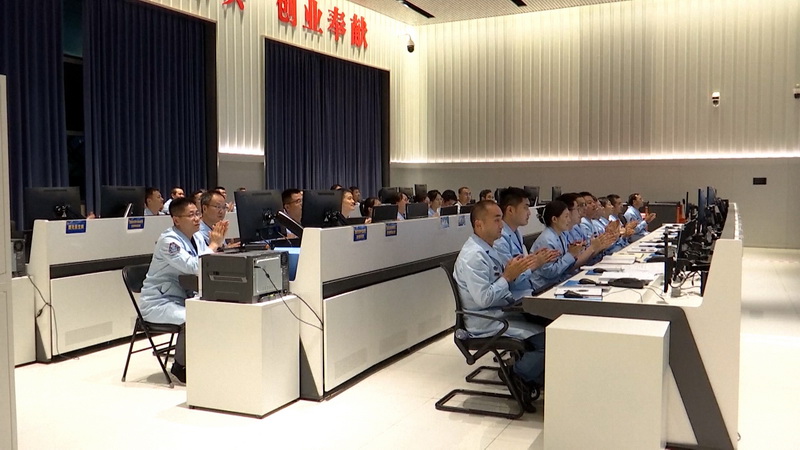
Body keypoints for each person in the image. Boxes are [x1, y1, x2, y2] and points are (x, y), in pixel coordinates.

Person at [453, 200, 546, 395]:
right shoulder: (473, 256)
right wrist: (507, 277)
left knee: (548, 328)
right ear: (479, 224)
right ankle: (516, 374)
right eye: (496, 220)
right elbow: (484, 299)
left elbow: (504, 281)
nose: (501, 225)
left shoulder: (489, 248)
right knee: (547, 341)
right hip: (486, 321)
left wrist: (518, 271)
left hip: (501, 311)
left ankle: (531, 378)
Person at [138, 197, 228, 383]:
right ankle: (181, 367)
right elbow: (194, 266)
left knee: (217, 311)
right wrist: (214, 245)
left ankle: (206, 361)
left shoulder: (196, 237)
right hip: (159, 302)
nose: (196, 218)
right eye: (191, 215)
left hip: (183, 297)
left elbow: (206, 264)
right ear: (176, 220)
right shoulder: (168, 242)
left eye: (197, 214)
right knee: (194, 317)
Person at [529, 200, 613, 288]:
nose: (569, 220)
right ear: (554, 219)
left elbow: (565, 267)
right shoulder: (547, 240)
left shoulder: (560, 235)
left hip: (559, 281)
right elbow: (550, 272)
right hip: (545, 287)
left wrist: (575, 252)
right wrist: (570, 255)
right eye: (566, 216)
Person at [494, 188, 559, 297]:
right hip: (515, 297)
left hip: (527, 291)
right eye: (525, 207)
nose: (529, 212)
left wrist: (533, 258)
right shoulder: (500, 239)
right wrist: (536, 263)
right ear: (510, 210)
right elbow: (512, 279)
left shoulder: (516, 232)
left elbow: (522, 265)